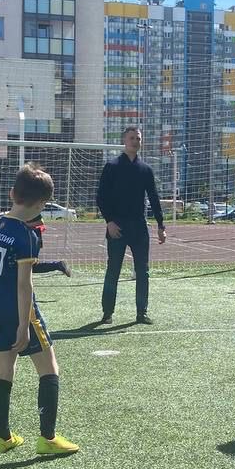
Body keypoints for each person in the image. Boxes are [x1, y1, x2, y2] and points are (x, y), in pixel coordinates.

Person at [0, 164, 79, 456]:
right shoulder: (26, 235)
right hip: (20, 312)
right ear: (41, 204)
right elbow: (25, 284)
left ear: (13, 193)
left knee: (4, 368)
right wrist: (24, 325)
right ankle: (48, 439)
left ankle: (2, 438)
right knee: (49, 368)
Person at [95, 126, 166, 325]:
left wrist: (161, 225)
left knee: (143, 271)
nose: (135, 141)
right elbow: (101, 197)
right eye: (132, 138)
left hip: (139, 228)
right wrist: (109, 222)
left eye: (138, 138)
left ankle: (141, 313)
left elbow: (154, 198)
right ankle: (107, 313)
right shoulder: (112, 166)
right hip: (117, 227)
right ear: (124, 141)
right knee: (113, 270)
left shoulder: (145, 169)